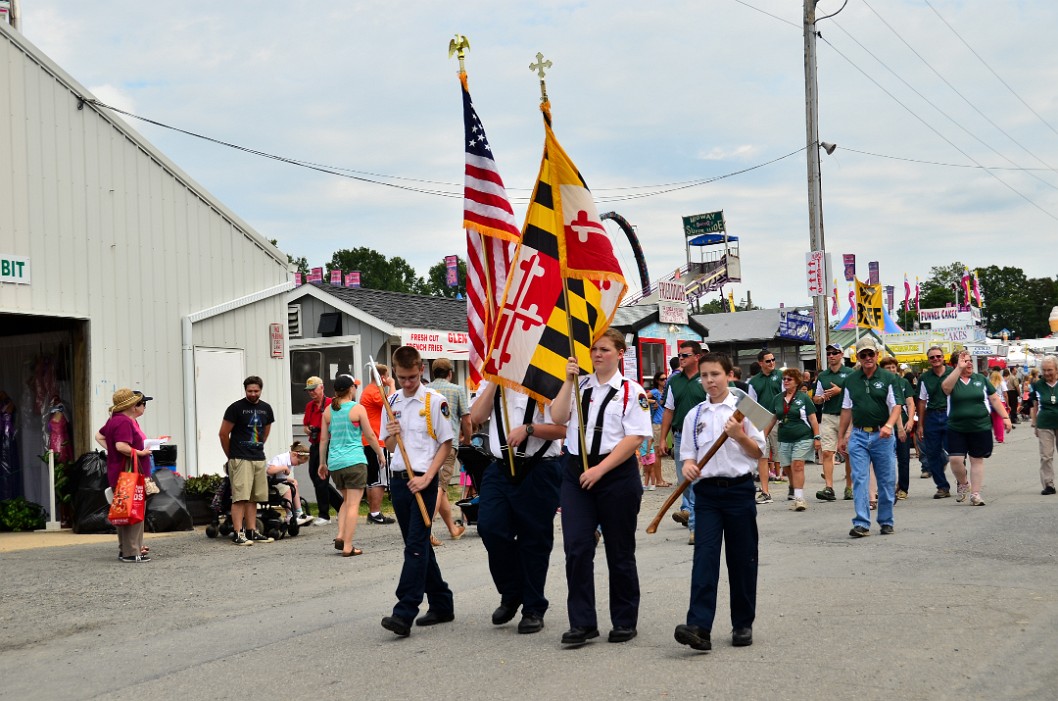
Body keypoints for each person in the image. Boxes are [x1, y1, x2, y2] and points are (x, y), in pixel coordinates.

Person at [551, 328, 652, 645]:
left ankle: (624, 620)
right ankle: (582, 623)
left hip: (615, 473)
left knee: (620, 551)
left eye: (605, 349)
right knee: (577, 548)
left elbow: (635, 437)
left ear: (620, 353)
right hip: (576, 471)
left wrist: (601, 469)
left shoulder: (630, 391)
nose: (597, 354)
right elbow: (557, 418)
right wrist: (567, 380)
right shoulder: (579, 385)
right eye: (594, 349)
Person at [673, 353, 765, 652]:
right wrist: (688, 466)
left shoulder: (746, 409)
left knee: (742, 559)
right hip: (707, 495)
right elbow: (688, 452)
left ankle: (742, 624)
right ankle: (699, 626)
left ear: (729, 375)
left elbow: (758, 453)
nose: (709, 381)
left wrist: (739, 435)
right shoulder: (695, 414)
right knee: (704, 558)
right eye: (704, 375)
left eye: (715, 374)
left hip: (739, 491)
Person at [469, 380, 566, 635]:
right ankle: (512, 592)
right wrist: (493, 382)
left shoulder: (546, 379)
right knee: (490, 528)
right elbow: (476, 417)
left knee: (534, 539)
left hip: (539, 467)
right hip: (500, 468)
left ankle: (533, 607)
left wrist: (530, 429)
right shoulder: (493, 379)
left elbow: (563, 428)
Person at [379, 346, 455, 637]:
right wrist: (392, 434)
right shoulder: (393, 401)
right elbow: (389, 446)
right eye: (401, 378)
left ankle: (404, 611)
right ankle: (442, 602)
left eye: (411, 377)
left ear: (421, 369)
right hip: (399, 479)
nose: (407, 383)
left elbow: (446, 444)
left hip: (424, 479)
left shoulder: (435, 402)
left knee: (414, 546)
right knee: (418, 545)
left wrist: (429, 479)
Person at [837, 337, 901, 538]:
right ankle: (862, 522)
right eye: (863, 354)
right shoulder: (850, 380)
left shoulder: (889, 378)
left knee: (886, 479)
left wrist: (890, 426)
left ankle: (886, 520)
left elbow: (896, 405)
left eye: (870, 354)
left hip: (882, 434)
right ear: (858, 357)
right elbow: (846, 409)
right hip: (858, 435)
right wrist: (841, 437)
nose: (867, 358)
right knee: (859, 478)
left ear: (877, 354)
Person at [319, 374, 386, 556]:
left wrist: (322, 463)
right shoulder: (357, 409)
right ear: (350, 389)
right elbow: (370, 435)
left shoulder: (328, 411)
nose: (356, 389)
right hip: (354, 461)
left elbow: (323, 439)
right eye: (354, 386)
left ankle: (341, 535)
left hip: (335, 463)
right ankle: (348, 545)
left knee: (346, 501)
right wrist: (380, 453)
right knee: (354, 504)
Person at [942, 350, 1011, 506]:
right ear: (956, 365)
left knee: (976, 460)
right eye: (965, 361)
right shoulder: (952, 380)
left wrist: (1005, 418)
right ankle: (963, 483)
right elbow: (945, 388)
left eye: (969, 360)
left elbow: (994, 399)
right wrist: (958, 370)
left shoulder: (980, 379)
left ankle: (975, 494)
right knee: (955, 459)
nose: (969, 363)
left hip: (979, 426)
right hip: (956, 427)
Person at [95, 388, 153, 563]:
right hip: (129, 473)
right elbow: (121, 446)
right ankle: (131, 551)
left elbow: (99, 436)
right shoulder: (124, 422)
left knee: (124, 511)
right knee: (133, 511)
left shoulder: (114, 420)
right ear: (132, 405)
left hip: (118, 472)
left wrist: (110, 451)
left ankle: (127, 549)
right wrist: (140, 453)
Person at [658, 341, 707, 541]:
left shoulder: (706, 378)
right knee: (683, 481)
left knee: (696, 481)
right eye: (680, 355)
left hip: (703, 436)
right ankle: (702, 514)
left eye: (685, 355)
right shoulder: (674, 382)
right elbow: (669, 410)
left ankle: (696, 526)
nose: (681, 358)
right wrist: (662, 438)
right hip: (680, 437)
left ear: (697, 357)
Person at [219, 376, 276, 545]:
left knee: (253, 497)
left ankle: (252, 530)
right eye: (249, 391)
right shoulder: (235, 408)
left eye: (256, 391)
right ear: (245, 390)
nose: (252, 394)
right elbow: (223, 433)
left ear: (261, 390)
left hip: (258, 457)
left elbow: (265, 432)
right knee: (240, 497)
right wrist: (231, 455)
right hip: (240, 457)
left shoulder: (266, 409)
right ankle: (238, 532)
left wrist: (257, 446)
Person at [426, 358, 469, 544]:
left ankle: (452, 528)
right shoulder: (457, 390)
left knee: (439, 485)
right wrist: (467, 440)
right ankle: (426, 529)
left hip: (428, 444)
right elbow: (466, 420)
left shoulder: (426, 391)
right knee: (441, 486)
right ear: (450, 373)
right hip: (447, 443)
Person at [765, 367, 820, 512]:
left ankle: (799, 498)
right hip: (784, 438)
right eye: (784, 379)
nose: (786, 381)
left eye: (789, 379)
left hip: (803, 436)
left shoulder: (803, 398)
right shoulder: (777, 399)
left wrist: (817, 437)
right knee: (788, 467)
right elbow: (771, 420)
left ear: (796, 381)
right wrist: (762, 435)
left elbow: (813, 419)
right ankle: (793, 485)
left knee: (797, 465)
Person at [814, 343, 853, 502]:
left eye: (834, 353)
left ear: (841, 354)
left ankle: (849, 487)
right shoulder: (823, 376)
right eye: (829, 353)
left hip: (848, 416)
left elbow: (857, 394)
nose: (831, 356)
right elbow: (816, 398)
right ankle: (829, 487)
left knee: (849, 453)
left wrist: (840, 391)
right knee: (827, 452)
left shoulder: (850, 374)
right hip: (829, 415)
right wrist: (822, 397)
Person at [360, 364, 397, 526]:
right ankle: (375, 512)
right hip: (375, 440)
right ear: (382, 377)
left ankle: (374, 512)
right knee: (378, 479)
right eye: (387, 376)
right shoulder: (373, 391)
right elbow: (393, 404)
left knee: (373, 478)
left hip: (371, 440)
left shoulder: (370, 390)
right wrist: (393, 385)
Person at [303, 376, 342, 526]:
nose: (311, 393)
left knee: (321, 479)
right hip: (315, 445)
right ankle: (341, 506)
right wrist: (309, 430)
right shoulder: (310, 406)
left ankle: (324, 514)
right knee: (316, 477)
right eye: (309, 390)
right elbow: (305, 426)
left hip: (330, 444)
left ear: (322, 387)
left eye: (314, 389)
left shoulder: (332, 403)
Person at [917, 346, 954, 499]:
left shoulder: (952, 372)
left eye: (938, 356)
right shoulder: (925, 378)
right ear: (929, 360)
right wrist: (920, 424)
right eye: (932, 357)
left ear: (943, 357)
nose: (935, 359)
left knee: (956, 452)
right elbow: (921, 401)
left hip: (950, 414)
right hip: (932, 416)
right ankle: (942, 487)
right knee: (932, 453)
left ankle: (962, 483)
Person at [748, 348, 783, 504]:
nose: (772, 363)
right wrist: (758, 424)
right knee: (762, 456)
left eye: (773, 360)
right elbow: (750, 404)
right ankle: (765, 492)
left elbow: (787, 396)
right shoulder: (753, 382)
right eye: (768, 361)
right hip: (761, 421)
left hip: (780, 419)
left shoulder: (782, 377)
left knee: (783, 456)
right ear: (761, 363)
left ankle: (795, 489)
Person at [880, 356, 917, 500]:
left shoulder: (903, 382)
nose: (890, 370)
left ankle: (903, 488)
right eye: (887, 368)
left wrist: (910, 420)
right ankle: (886, 487)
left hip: (901, 425)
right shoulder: (878, 382)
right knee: (885, 459)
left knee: (903, 458)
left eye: (893, 367)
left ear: (897, 368)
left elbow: (910, 403)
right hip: (884, 425)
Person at [266, 441, 313, 526]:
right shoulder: (280, 458)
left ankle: (299, 513)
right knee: (287, 489)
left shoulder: (290, 461)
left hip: (275, 483)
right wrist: (283, 467)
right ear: (294, 454)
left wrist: (290, 480)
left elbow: (280, 477)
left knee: (293, 485)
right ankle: (289, 516)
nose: (298, 465)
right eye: (299, 462)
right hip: (267, 485)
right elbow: (270, 470)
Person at [1030, 355, 1058, 495]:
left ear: (1057, 369)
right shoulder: (1038, 385)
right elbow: (1035, 405)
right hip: (1044, 423)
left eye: (1050, 370)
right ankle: (1049, 485)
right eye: (1044, 370)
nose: (1046, 373)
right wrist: (1034, 424)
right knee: (1046, 455)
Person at [645, 371, 670, 489]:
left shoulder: (664, 392)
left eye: (665, 379)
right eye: (662, 379)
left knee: (660, 452)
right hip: (657, 424)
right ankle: (658, 480)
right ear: (657, 381)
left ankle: (661, 478)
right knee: (657, 453)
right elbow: (640, 398)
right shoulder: (655, 392)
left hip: (663, 424)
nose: (664, 381)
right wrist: (652, 401)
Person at [988, 370, 1008, 443]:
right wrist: (1008, 404)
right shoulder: (1002, 383)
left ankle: (996, 435)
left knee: (995, 420)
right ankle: (1000, 437)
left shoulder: (990, 384)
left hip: (991, 403)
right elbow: (1005, 394)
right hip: (1001, 402)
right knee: (1000, 420)